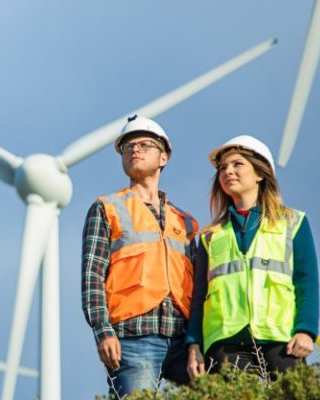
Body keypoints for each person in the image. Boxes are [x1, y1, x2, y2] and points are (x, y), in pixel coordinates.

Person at [82, 115, 198, 396]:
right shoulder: (107, 208)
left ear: (164, 157)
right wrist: (103, 332)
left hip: (183, 342)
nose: (135, 149)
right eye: (128, 146)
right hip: (133, 337)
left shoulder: (186, 222)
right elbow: (92, 277)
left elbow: (200, 288)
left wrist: (197, 342)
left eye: (145, 144)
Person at [186, 135, 319, 380]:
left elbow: (306, 281)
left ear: (259, 173)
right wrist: (194, 344)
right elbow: (199, 297)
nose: (228, 171)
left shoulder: (293, 223)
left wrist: (306, 331)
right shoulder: (209, 236)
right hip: (225, 342)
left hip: (282, 339)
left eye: (237, 164)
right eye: (223, 168)